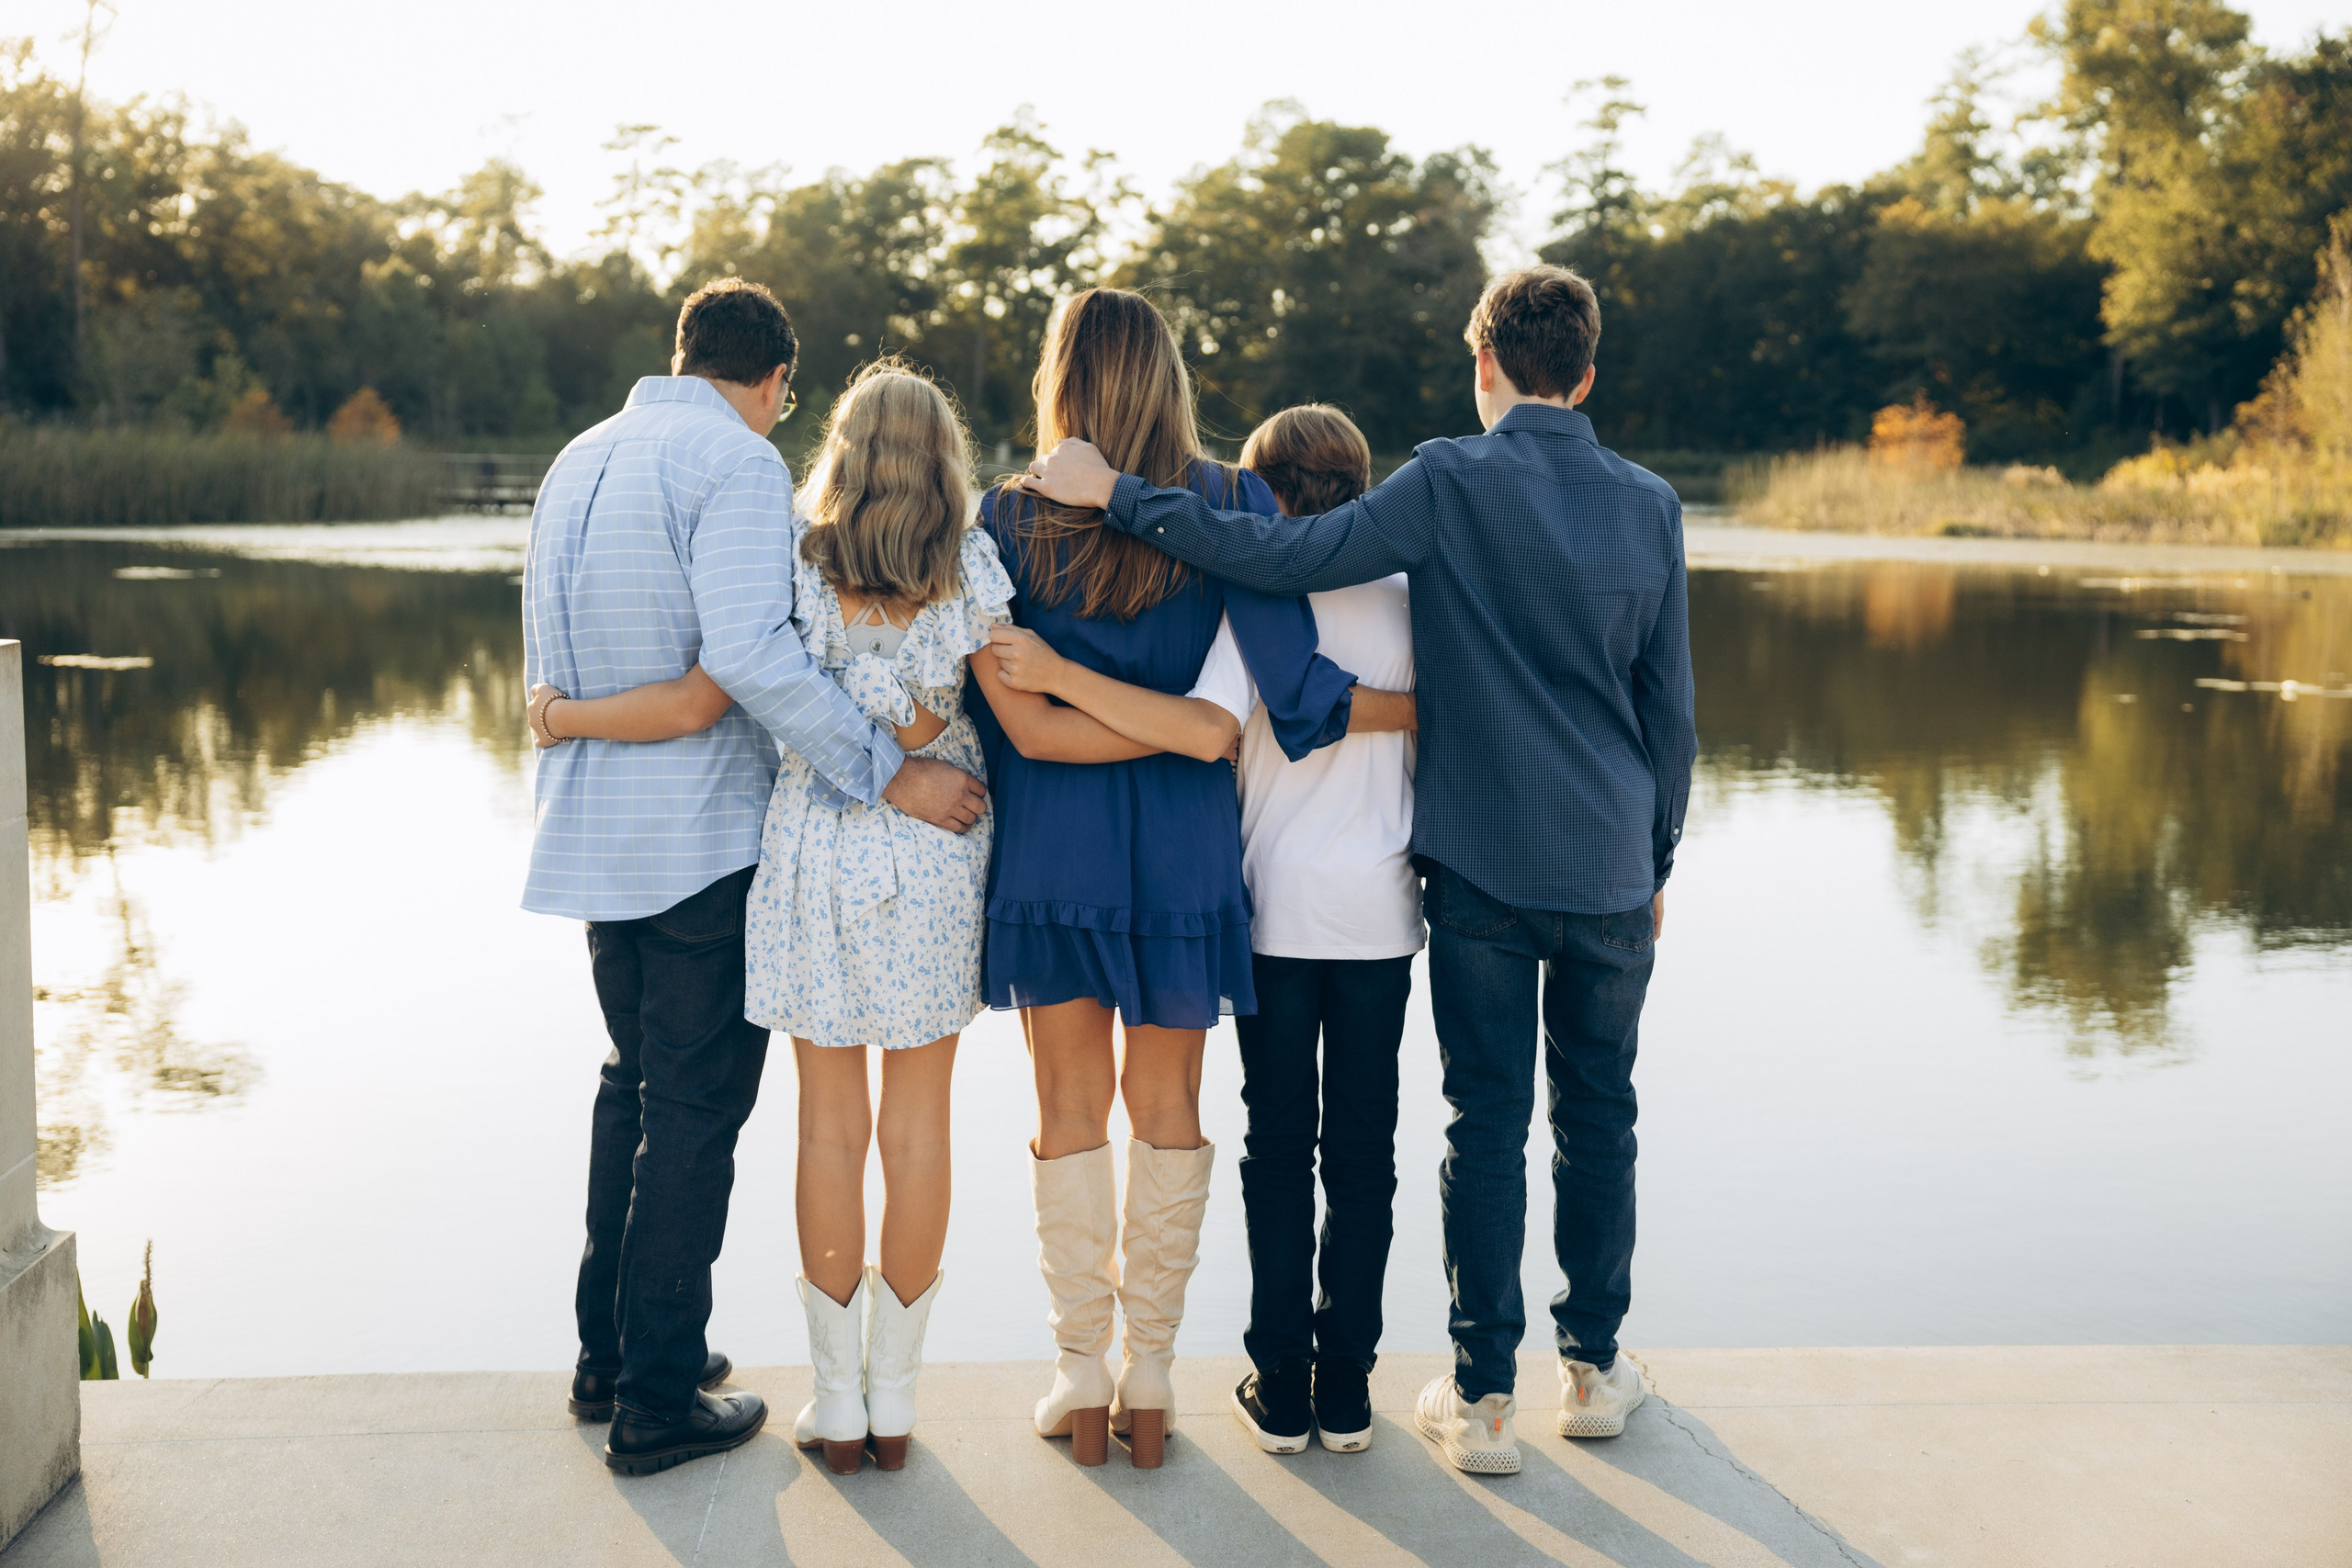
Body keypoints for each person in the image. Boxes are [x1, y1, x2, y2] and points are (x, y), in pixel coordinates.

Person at [1017, 265, 1699, 1477]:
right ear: (1587, 375)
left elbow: (1276, 569)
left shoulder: (1445, 485)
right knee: (1591, 1114)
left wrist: (1120, 495)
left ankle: (1470, 1398)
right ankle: (1589, 1370)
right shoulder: (1648, 504)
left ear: (1483, 363)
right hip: (1575, 868)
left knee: (1468, 1124)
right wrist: (1656, 857)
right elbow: (1670, 713)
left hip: (1451, 875)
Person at [520, 279, 987, 1478]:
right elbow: (745, 654)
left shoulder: (578, 457)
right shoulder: (732, 463)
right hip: (697, 836)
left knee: (632, 1091)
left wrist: (563, 721)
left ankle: (613, 1357)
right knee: (690, 1109)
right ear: (775, 381)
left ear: (684, 353)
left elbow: (545, 664)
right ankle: (658, 1398)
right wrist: (888, 772)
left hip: (592, 836)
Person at [964, 287, 1369, 1470]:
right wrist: (1170, 728)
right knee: (1170, 1112)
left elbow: (1030, 734)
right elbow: (1214, 731)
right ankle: (1150, 1372)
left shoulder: (1004, 518)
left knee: (1064, 1110)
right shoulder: (1236, 503)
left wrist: (1071, 686)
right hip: (1186, 854)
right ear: (1170, 377)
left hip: (1053, 849)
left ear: (1060, 379)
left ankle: (1080, 1373)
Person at [1189, 406, 1420, 1460]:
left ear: (1266, 492)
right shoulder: (1408, 598)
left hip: (1276, 905)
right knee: (1364, 1152)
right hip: (1381, 910)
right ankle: (1349, 1388)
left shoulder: (1254, 597)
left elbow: (1210, 734)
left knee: (1278, 1147)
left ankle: (1280, 1386)